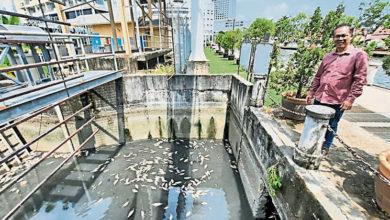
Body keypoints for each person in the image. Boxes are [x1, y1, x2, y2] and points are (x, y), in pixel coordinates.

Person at [306, 23, 368, 156]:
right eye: (337, 36)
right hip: (321, 96)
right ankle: (309, 142)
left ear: (351, 36)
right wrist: (311, 92)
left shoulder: (358, 55)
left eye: (343, 35)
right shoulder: (328, 56)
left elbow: (360, 80)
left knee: (331, 125)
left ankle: (325, 146)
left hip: (338, 99)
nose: (340, 39)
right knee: (314, 121)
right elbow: (318, 76)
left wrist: (350, 99)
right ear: (333, 38)